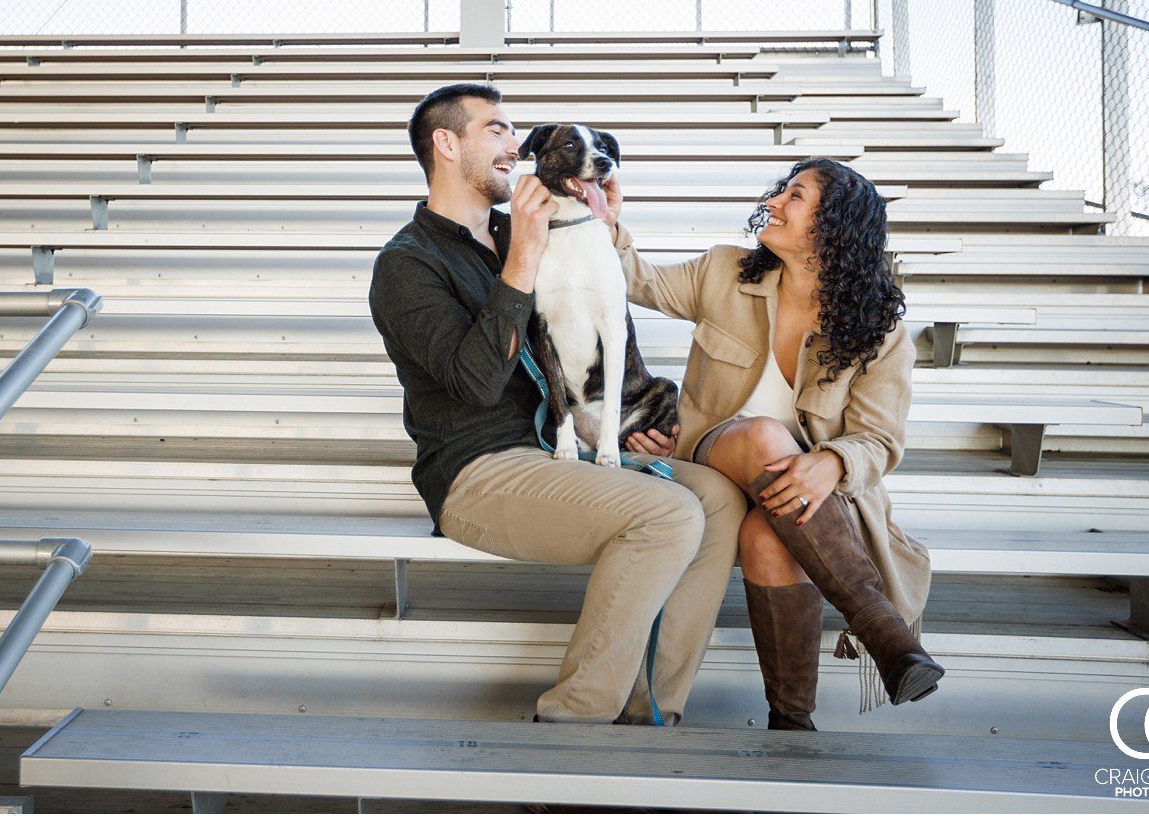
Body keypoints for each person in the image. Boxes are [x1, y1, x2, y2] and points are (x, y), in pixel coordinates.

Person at [368, 84, 747, 726]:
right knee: (669, 515)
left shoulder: (533, 229)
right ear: (445, 142)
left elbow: (598, 327)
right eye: (496, 129)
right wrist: (521, 256)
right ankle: (572, 721)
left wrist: (614, 425)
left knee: (718, 497)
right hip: (479, 472)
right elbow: (478, 383)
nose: (515, 145)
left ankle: (648, 708)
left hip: (559, 449)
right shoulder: (408, 264)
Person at [605, 158, 942, 730]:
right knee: (765, 434)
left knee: (768, 536)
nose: (776, 204)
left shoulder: (877, 330)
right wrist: (607, 221)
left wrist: (832, 464)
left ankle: (791, 720)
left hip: (799, 493)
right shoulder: (723, 272)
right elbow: (639, 281)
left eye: (796, 196)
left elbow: (879, 439)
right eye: (780, 192)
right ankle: (880, 628)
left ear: (835, 226)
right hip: (712, 454)